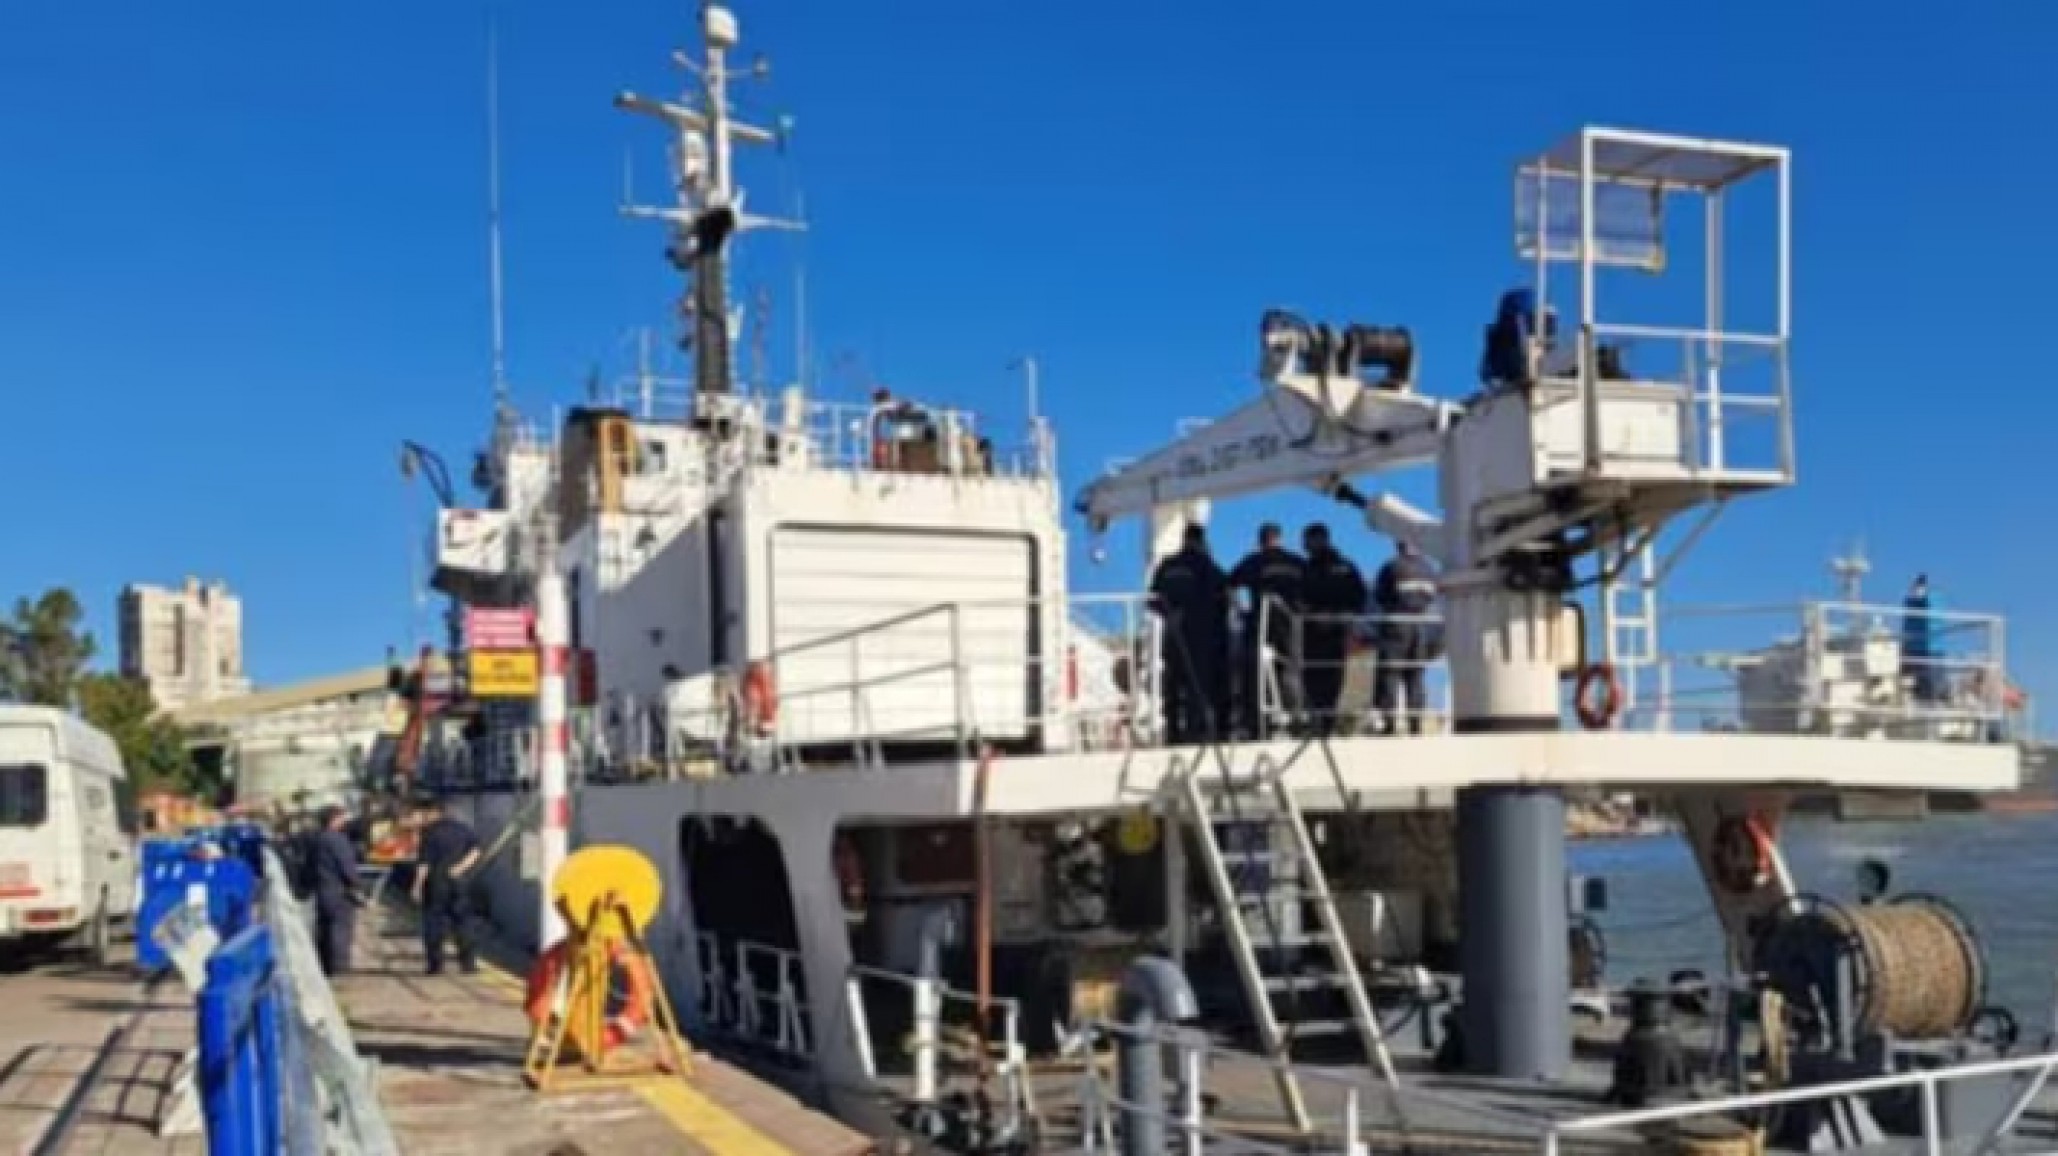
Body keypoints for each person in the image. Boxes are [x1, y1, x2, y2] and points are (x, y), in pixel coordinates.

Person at [1148, 524, 1231, 745]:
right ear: (1200, 541)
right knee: (1198, 685)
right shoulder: (1205, 564)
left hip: (1173, 636)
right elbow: (1222, 593)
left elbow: (1152, 600)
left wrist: (1171, 613)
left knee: (1173, 684)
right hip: (1199, 636)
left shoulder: (1167, 565)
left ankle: (1172, 732)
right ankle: (1195, 734)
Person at [1229, 523, 1306, 738]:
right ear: (1279, 538)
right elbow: (1311, 589)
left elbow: (1230, 584)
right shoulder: (1296, 561)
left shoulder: (1254, 561)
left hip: (1260, 623)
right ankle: (1296, 720)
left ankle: (1257, 723)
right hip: (1291, 623)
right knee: (1291, 670)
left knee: (1256, 673)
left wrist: (1240, 609)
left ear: (1261, 540)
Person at [1300, 524, 1368, 734]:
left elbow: (1359, 597)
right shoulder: (1343, 566)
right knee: (1325, 678)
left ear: (1317, 540)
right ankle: (1323, 724)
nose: (1305, 546)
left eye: (1307, 541)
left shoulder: (1311, 568)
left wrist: (1335, 616)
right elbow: (1360, 597)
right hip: (1322, 631)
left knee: (1324, 678)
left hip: (1327, 632)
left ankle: (1323, 725)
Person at [1372, 539, 1440, 735]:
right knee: (1415, 676)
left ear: (1399, 546)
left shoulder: (1392, 566)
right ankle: (1415, 724)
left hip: (1396, 623)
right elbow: (1433, 595)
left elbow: (1380, 595)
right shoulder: (1429, 569)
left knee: (1390, 673)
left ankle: (1389, 723)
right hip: (1420, 625)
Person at [411, 798, 483, 975]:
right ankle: (468, 964)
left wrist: (417, 885)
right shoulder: (463, 829)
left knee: (434, 923)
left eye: (426, 813)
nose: (425, 816)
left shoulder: (429, 833)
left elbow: (424, 863)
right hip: (459, 881)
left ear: (435, 812)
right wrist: (461, 867)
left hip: (436, 882)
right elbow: (476, 850)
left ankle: (435, 965)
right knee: (464, 923)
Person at [311, 805, 365, 976]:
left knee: (324, 928)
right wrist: (357, 884)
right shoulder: (338, 840)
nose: (344, 821)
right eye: (341, 818)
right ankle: (339, 965)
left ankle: (324, 963)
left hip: (323, 888)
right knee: (340, 927)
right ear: (334, 820)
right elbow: (346, 865)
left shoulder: (318, 838)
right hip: (339, 891)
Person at [1902, 574, 1942, 704]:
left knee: (1927, 682)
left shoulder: (1929, 601)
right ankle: (1918, 699)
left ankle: (1927, 700)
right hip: (1914, 648)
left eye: (1919, 585)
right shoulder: (1913, 602)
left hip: (1927, 649)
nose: (1917, 588)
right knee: (1913, 680)